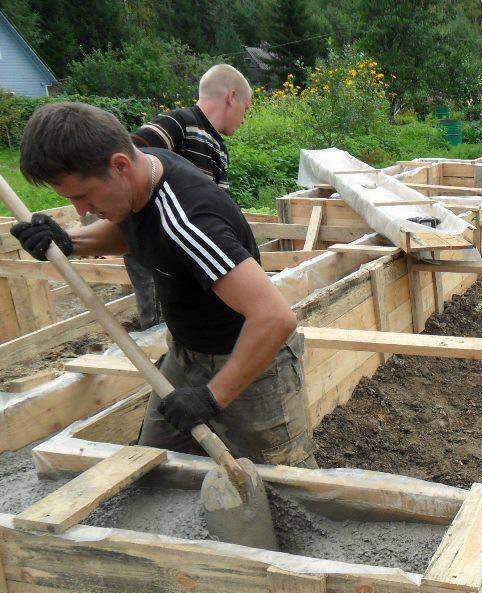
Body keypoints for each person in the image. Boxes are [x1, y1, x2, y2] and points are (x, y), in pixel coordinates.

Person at [13, 102, 316, 469]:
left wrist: (210, 398)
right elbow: (135, 232)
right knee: (155, 464)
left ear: (120, 166)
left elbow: (274, 318)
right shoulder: (142, 172)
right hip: (185, 354)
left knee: (287, 485)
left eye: (83, 196)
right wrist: (69, 243)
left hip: (251, 361)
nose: (82, 211)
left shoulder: (191, 221)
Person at [127, 64, 253, 328]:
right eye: (246, 108)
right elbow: (128, 157)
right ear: (231, 97)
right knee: (160, 325)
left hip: (190, 252)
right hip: (160, 250)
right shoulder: (180, 122)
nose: (244, 118)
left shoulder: (216, 146)